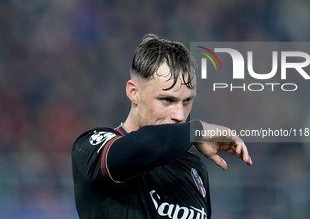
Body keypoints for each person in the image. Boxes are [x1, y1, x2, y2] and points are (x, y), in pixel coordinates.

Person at [72, 34, 252, 219]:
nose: (180, 115)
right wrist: (198, 130)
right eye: (167, 100)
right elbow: (150, 144)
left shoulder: (194, 167)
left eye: (187, 101)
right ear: (134, 93)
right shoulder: (90, 147)